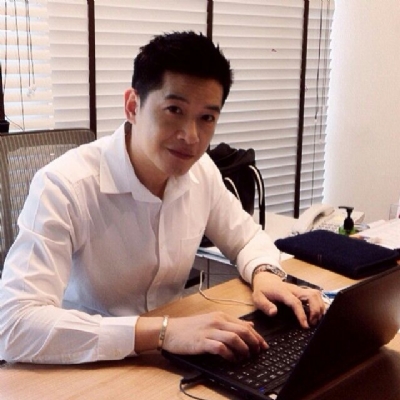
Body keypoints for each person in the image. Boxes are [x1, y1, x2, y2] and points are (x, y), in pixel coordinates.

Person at [0, 31, 325, 364]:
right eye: (174, 109)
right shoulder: (64, 186)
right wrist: (162, 332)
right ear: (132, 106)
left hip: (170, 358)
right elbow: (13, 325)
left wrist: (265, 273)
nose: (191, 136)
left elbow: (245, 238)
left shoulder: (201, 172)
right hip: (85, 362)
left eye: (207, 118)